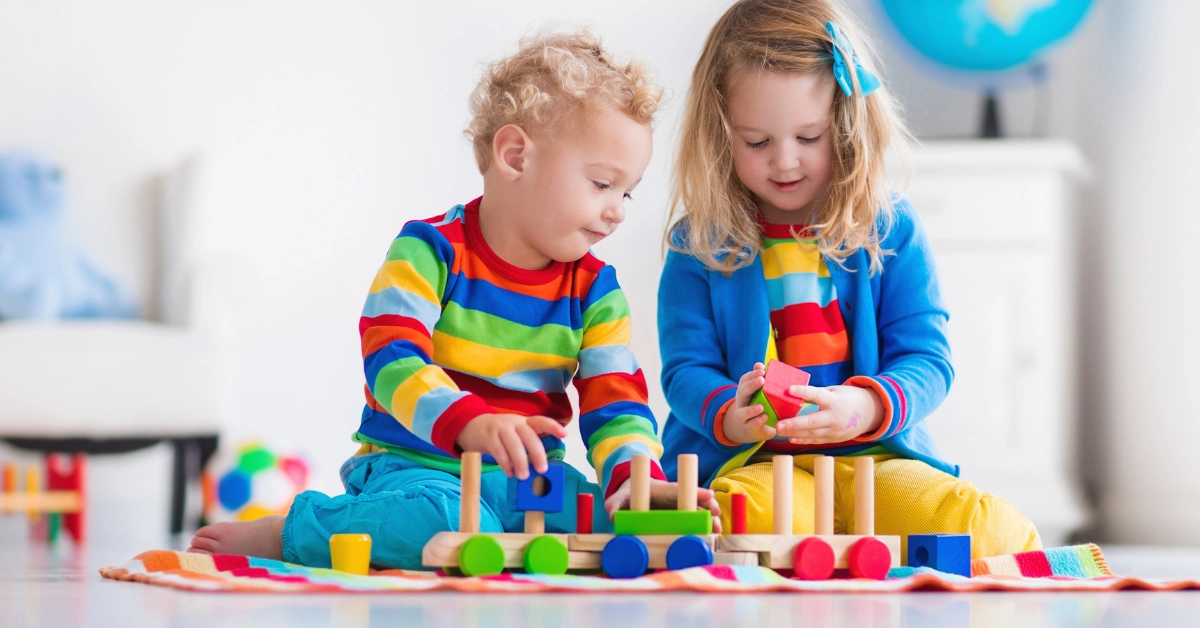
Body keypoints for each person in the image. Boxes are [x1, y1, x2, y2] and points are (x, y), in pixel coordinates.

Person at [189, 29, 718, 569]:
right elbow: (390, 356)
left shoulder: (596, 290)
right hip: (419, 465)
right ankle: (299, 530)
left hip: (528, 484)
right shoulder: (431, 250)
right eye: (602, 184)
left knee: (629, 518)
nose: (617, 212)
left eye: (626, 192)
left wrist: (633, 477)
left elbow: (617, 399)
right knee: (447, 521)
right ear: (515, 156)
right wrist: (469, 423)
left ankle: (538, 531)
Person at [657, 0, 1040, 558]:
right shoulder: (698, 245)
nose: (785, 162)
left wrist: (864, 409)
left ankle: (833, 544)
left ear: (845, 123)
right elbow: (685, 369)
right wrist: (731, 417)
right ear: (720, 136)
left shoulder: (891, 229)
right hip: (760, 463)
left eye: (809, 138)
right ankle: (816, 546)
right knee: (736, 520)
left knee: (987, 531)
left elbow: (928, 359)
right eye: (757, 142)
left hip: (875, 461)